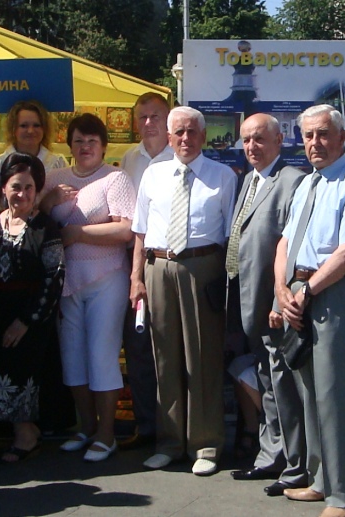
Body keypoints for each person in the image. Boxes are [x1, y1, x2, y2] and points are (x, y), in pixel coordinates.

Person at [275, 104, 345, 517]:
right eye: (308, 135)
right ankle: (320, 482)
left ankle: (342, 497)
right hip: (300, 293)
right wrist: (281, 289)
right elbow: (285, 242)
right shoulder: (306, 184)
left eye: (322, 134)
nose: (314, 142)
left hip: (335, 293)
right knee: (311, 395)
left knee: (336, 398)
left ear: (342, 138)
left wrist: (307, 291)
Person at [130, 106, 237, 476]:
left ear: (204, 136)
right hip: (158, 267)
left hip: (202, 268)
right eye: (179, 132)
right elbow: (140, 231)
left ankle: (206, 444)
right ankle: (170, 443)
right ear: (169, 137)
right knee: (165, 358)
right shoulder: (153, 174)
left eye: (192, 132)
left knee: (203, 358)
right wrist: (136, 278)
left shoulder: (223, 176)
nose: (186, 138)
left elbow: (231, 237)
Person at [226, 113, 308, 496]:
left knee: (282, 385)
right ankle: (271, 454)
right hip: (248, 301)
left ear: (279, 140)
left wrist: (279, 300)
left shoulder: (292, 181)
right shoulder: (249, 179)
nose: (251, 146)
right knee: (267, 380)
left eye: (259, 139)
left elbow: (292, 248)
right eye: (246, 140)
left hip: (273, 305)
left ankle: (292, 463)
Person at [46, 114, 135, 462]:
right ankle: (86, 427)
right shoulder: (54, 178)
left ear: (104, 146)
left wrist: (78, 234)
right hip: (66, 281)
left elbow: (126, 230)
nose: (85, 147)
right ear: (69, 144)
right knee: (72, 358)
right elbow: (37, 218)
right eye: (79, 141)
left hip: (107, 278)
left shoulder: (115, 178)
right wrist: (49, 200)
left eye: (92, 141)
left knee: (102, 356)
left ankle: (107, 435)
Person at [0, 153, 65, 462]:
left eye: (29, 188)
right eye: (16, 187)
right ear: (3, 188)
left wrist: (25, 321)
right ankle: (16, 431)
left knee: (23, 372)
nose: (22, 194)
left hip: (30, 317)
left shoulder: (45, 227)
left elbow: (54, 277)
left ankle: (26, 436)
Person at [118, 92, 173, 450]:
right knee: (137, 346)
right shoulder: (129, 159)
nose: (149, 123)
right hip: (133, 261)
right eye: (143, 117)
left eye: (156, 116)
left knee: (169, 347)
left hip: (169, 262)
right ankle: (146, 425)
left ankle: (174, 427)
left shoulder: (180, 155)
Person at [0, 100, 66, 196]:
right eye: (24, 126)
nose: (30, 131)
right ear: (13, 129)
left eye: (36, 125)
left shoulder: (58, 163)